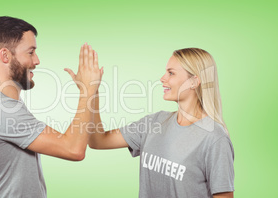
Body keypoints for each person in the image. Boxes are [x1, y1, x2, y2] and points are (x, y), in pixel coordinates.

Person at [0, 16, 102, 197]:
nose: (37, 60)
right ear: (5, 55)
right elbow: (73, 149)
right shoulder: (0, 111)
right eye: (30, 52)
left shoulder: (0, 101)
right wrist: (87, 90)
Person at [89, 48, 234, 198]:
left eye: (171, 73)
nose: (162, 78)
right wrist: (92, 90)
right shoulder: (155, 122)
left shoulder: (215, 138)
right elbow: (97, 141)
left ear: (194, 82)